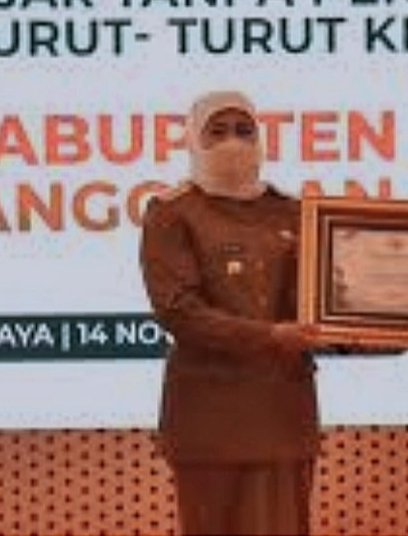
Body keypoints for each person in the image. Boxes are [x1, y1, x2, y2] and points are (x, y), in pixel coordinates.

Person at [139, 91, 319, 534]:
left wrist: (406, 318)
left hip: (282, 410)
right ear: (193, 139)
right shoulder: (172, 212)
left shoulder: (293, 211)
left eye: (244, 130)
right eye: (217, 131)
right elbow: (178, 311)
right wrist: (270, 337)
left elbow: (325, 303)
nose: (233, 141)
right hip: (210, 416)